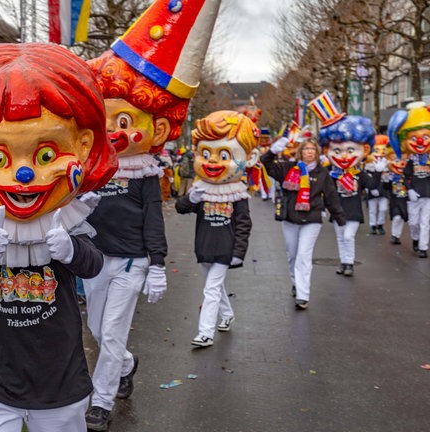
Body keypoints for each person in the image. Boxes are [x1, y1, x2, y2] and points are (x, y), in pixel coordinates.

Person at [0, 42, 117, 432]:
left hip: (60, 381)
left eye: (46, 155)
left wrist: (71, 248)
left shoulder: (67, 215)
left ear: (82, 146)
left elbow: (94, 264)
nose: (24, 176)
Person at [82, 1, 220, 429]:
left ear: (157, 128)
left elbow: (152, 220)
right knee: (97, 330)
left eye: (124, 119)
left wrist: (156, 264)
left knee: (112, 332)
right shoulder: (88, 167)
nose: (115, 131)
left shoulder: (144, 172)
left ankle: (100, 401)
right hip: (91, 259)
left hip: (130, 262)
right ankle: (125, 365)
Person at [175, 110, 259, 348]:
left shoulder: (237, 194)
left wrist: (238, 253)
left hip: (225, 248)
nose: (213, 161)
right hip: (203, 247)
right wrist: (192, 197)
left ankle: (206, 333)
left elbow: (244, 224)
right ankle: (227, 314)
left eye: (223, 154)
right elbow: (181, 208)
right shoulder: (201, 190)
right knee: (215, 286)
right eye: (206, 153)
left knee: (211, 289)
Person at [261, 137, 346, 310]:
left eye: (313, 149)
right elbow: (265, 164)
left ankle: (303, 295)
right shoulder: (288, 168)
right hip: (290, 218)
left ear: (316, 152)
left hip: (312, 219)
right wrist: (272, 151)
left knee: (303, 256)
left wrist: (340, 219)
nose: (309, 152)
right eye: (306, 149)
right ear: (301, 151)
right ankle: (296, 282)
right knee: (292, 254)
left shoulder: (322, 173)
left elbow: (331, 197)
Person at [315, 95, 376, 277]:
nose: (343, 156)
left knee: (348, 236)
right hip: (337, 210)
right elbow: (323, 191)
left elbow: (373, 187)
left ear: (363, 150)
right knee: (341, 238)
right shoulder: (331, 173)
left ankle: (349, 263)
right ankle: (344, 262)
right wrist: (322, 207)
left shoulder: (360, 173)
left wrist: (379, 172)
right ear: (327, 151)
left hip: (354, 211)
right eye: (337, 150)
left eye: (350, 150)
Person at [388, 101, 430, 258]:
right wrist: (410, 189)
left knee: (426, 222)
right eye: (415, 137)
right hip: (414, 195)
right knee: (414, 222)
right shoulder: (411, 161)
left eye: (425, 136)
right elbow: (405, 176)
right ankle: (416, 239)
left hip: (428, 195)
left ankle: (423, 247)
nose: (421, 141)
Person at [363, 136, 390, 235]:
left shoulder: (387, 165)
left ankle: (380, 224)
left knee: (383, 208)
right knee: (372, 210)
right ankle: (373, 225)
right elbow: (366, 179)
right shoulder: (367, 167)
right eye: (377, 150)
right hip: (372, 190)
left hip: (383, 190)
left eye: (383, 149)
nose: (381, 152)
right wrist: (368, 189)